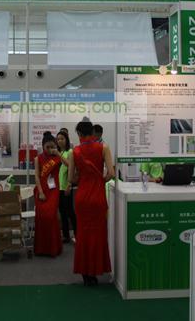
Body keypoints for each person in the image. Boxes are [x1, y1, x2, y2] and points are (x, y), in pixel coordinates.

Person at [68, 118, 114, 286]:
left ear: (79, 133)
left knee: (82, 235)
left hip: (82, 197)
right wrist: (100, 180)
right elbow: (111, 173)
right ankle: (95, 270)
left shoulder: (74, 152)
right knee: (98, 235)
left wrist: (81, 178)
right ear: (93, 132)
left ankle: (85, 273)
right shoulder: (104, 148)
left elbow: (71, 179)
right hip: (98, 196)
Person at [33, 131, 63, 257]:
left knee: (51, 218)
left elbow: (69, 164)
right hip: (42, 190)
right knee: (41, 219)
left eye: (52, 146)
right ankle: (41, 249)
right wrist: (40, 192)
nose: (50, 149)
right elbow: (36, 176)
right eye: (48, 147)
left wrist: (59, 154)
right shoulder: (37, 158)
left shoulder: (57, 157)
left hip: (53, 191)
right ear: (43, 146)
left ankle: (53, 248)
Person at [57, 130, 76, 243]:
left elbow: (70, 166)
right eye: (58, 139)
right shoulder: (61, 152)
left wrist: (69, 185)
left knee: (70, 212)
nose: (60, 141)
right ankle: (65, 235)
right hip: (59, 187)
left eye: (62, 139)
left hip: (67, 186)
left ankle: (77, 234)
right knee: (62, 212)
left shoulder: (70, 152)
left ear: (66, 140)